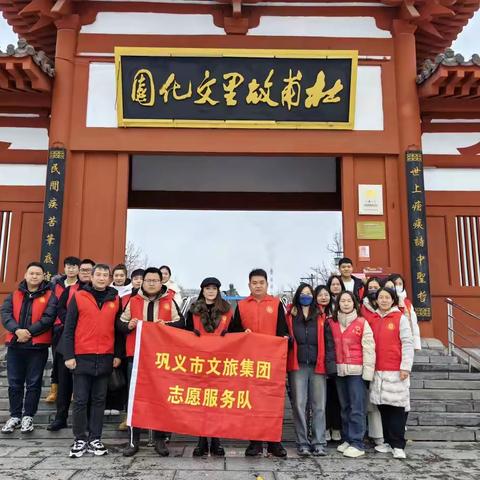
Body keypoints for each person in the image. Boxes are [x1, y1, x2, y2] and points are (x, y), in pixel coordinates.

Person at [117, 267, 183, 458]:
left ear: (161, 283)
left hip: (162, 359)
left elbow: (182, 323)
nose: (152, 283)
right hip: (136, 358)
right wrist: (128, 325)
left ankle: (160, 440)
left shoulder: (169, 301)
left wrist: (167, 326)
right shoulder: (133, 300)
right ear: (142, 282)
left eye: (155, 280)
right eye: (148, 280)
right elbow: (119, 323)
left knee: (161, 398)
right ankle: (133, 440)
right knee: (134, 399)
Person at [63, 264, 123, 458]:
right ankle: (80, 439)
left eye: (106, 275)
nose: (102, 278)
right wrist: (69, 355)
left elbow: (118, 331)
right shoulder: (79, 296)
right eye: (98, 274)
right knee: (80, 400)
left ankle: (95, 438)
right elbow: (69, 328)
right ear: (92, 276)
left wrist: (117, 355)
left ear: (109, 278)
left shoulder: (115, 299)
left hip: (105, 356)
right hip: (81, 356)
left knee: (99, 400)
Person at [229, 268, 289, 458]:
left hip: (271, 363)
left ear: (266, 284)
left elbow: (283, 331)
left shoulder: (276, 303)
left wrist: (284, 341)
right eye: (254, 283)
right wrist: (242, 334)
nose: (257, 286)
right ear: (249, 285)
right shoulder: (241, 305)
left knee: (272, 402)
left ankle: (274, 443)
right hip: (250, 364)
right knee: (252, 402)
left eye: (261, 283)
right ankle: (254, 442)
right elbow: (233, 331)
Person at [1, 262, 57, 433]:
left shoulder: (50, 296)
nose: (34, 276)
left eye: (38, 274)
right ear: (26, 275)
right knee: (14, 383)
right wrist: (17, 330)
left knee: (33, 383)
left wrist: (28, 332)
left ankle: (28, 417)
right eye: (31, 273)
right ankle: (15, 415)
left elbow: (49, 318)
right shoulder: (14, 295)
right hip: (15, 345)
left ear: (43, 277)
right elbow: (5, 314)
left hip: (36, 347)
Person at [183, 277, 232, 457]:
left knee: (217, 402)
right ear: (202, 290)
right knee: (201, 402)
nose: (210, 291)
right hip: (199, 362)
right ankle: (201, 441)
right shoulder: (193, 310)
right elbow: (184, 333)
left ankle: (216, 441)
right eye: (207, 288)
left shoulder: (227, 311)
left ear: (218, 291)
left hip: (220, 362)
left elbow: (237, 333)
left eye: (214, 288)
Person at [286, 283, 336, 457]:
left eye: (309, 293)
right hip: (297, 365)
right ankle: (302, 442)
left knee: (318, 405)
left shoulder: (321, 315)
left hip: (318, 364)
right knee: (299, 405)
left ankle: (319, 442)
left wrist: (330, 363)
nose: (306, 296)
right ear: (298, 295)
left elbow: (329, 341)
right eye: (303, 293)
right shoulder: (290, 314)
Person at [47, 258, 95, 431]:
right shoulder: (70, 290)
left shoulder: (101, 292)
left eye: (89, 271)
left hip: (89, 344)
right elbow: (60, 308)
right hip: (67, 341)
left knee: (86, 385)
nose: (85, 273)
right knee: (64, 381)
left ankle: (87, 420)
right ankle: (61, 417)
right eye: (83, 270)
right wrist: (72, 323)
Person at [369, 287, 414, 459]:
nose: (384, 300)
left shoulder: (400, 318)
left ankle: (398, 444)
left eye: (387, 297)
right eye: (381, 297)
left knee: (397, 408)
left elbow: (407, 343)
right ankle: (388, 442)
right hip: (377, 371)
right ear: (376, 300)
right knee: (383, 407)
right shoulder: (373, 319)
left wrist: (405, 367)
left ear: (393, 299)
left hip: (396, 371)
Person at [329, 291, 375, 458]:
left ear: (354, 303)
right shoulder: (332, 323)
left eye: (349, 300)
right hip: (340, 371)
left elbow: (369, 349)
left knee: (357, 408)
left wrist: (368, 373)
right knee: (345, 407)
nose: (346, 303)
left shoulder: (362, 323)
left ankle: (358, 443)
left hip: (357, 371)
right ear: (338, 304)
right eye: (343, 301)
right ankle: (348, 438)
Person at [46, 256, 81, 404]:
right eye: (68, 266)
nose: (71, 269)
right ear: (64, 268)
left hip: (76, 328)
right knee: (57, 359)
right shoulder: (56, 285)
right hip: (58, 326)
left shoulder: (83, 286)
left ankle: (74, 390)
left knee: (74, 359)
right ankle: (54, 389)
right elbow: (53, 305)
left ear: (78, 269)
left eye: (74, 266)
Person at [314, 285, 341, 443]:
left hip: (333, 361)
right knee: (319, 400)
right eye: (320, 295)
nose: (323, 297)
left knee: (334, 397)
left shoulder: (335, 315)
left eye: (326, 294)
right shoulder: (311, 313)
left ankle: (336, 428)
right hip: (317, 362)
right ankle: (323, 429)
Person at [387, 274, 421, 351]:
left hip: (406, 339)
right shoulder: (386, 301)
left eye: (400, 284)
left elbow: (414, 323)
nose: (398, 286)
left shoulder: (407, 303)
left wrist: (416, 343)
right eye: (395, 284)